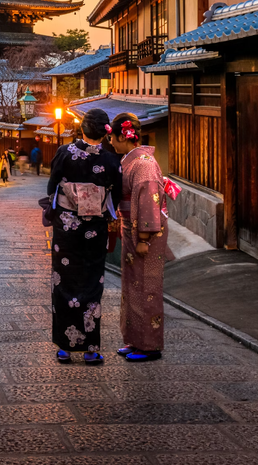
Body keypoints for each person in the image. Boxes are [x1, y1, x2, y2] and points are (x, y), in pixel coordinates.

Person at [46, 108, 122, 365]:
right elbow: (116, 194)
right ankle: (91, 349)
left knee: (63, 281)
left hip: (67, 228)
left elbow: (52, 186)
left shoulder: (64, 152)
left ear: (82, 128)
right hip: (95, 230)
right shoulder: (111, 160)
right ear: (105, 132)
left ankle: (65, 348)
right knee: (91, 284)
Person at [109, 112, 174, 362]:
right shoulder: (132, 161)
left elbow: (148, 203)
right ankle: (135, 339)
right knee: (132, 284)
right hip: (132, 229)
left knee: (147, 286)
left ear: (121, 137)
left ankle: (149, 345)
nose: (111, 143)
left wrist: (144, 238)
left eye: (112, 138)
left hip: (145, 233)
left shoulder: (143, 164)